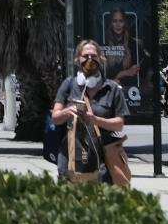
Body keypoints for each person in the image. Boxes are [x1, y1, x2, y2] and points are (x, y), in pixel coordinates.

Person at [51, 38, 128, 186]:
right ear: (77, 60)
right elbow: (55, 117)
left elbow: (119, 124)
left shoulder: (112, 89)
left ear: (101, 59)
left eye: (94, 56)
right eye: (85, 56)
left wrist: (95, 120)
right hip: (71, 155)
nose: (90, 59)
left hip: (102, 157)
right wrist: (68, 111)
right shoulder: (69, 85)